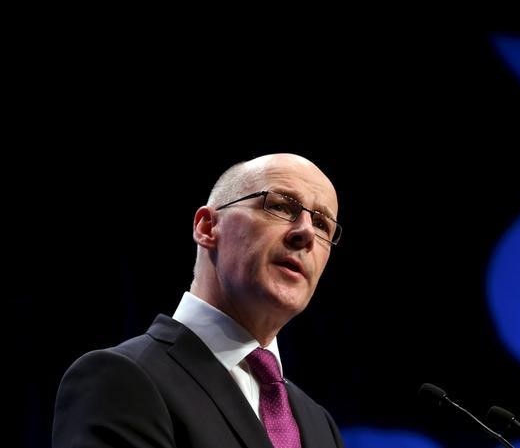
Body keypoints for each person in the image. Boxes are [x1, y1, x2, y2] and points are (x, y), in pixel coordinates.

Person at [53, 153, 345, 448]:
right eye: (281, 206)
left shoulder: (319, 425)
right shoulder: (121, 380)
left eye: (322, 225)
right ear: (207, 227)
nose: (306, 233)